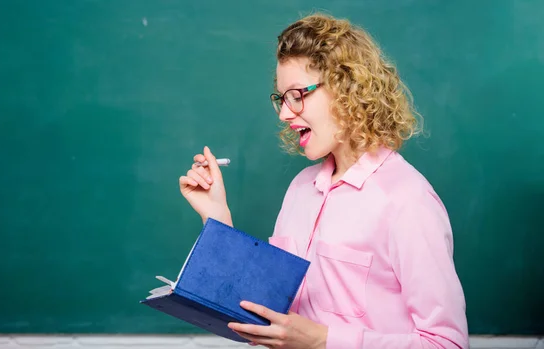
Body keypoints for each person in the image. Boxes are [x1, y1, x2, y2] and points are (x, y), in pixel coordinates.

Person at [178, 13, 468, 349]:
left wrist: (323, 341)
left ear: (348, 89)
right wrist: (216, 215)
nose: (285, 113)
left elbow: (447, 344)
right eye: (281, 99)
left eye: (297, 95)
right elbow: (264, 315)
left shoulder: (407, 201)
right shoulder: (301, 189)